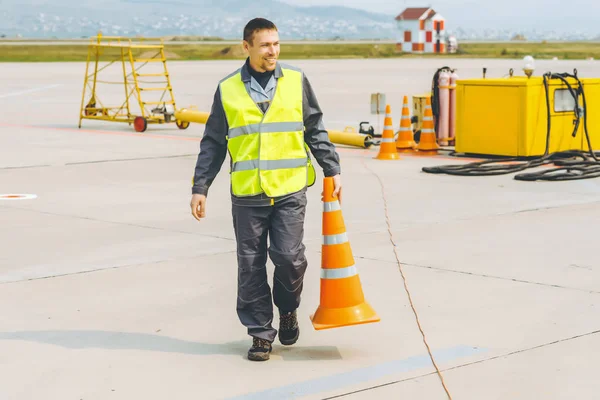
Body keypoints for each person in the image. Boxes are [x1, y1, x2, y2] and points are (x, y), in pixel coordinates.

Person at [189, 17, 342, 362]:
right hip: (248, 195)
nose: (272, 51)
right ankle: (260, 334)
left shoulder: (296, 81)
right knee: (251, 266)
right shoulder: (228, 89)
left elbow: (314, 126)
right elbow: (213, 142)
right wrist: (201, 186)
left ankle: (287, 309)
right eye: (265, 45)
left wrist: (331, 168)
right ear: (246, 47)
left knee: (289, 258)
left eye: (276, 44)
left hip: (289, 190)